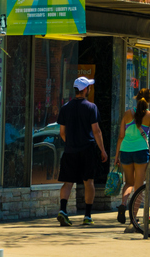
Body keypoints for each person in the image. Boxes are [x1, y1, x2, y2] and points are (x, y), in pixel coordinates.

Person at [56, 76, 108, 226]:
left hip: (70, 150)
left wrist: (71, 143)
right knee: (88, 182)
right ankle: (87, 215)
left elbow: (62, 132)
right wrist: (102, 150)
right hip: (87, 149)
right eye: (89, 87)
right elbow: (96, 131)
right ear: (85, 89)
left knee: (68, 182)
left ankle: (63, 210)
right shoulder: (91, 107)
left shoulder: (65, 107)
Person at [114, 89, 150, 225]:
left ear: (137, 98)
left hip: (126, 151)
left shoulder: (128, 114)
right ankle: (133, 218)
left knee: (128, 183)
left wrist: (117, 156)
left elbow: (121, 136)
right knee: (139, 187)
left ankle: (123, 203)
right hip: (141, 152)